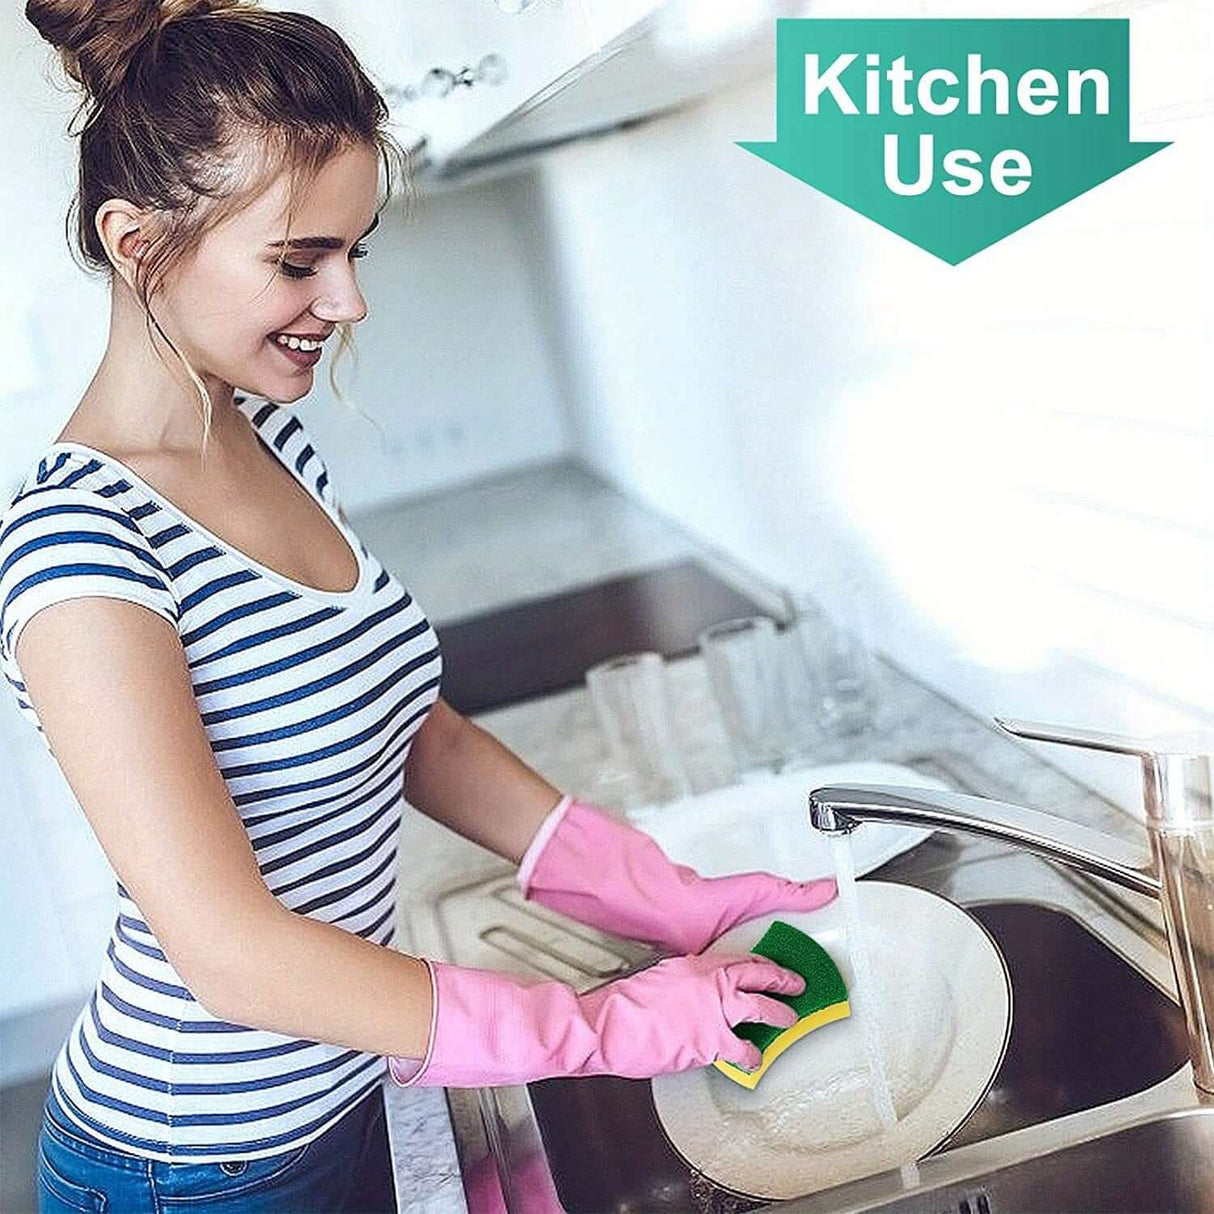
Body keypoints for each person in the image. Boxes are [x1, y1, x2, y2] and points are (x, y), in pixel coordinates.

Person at [6, 2, 839, 1211]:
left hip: (351, 1081)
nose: (345, 302)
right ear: (137, 242)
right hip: (198, 1162)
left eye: (356, 252)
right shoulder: (81, 547)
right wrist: (595, 1025)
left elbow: (415, 727)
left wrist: (653, 889)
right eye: (297, 260)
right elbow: (232, 955)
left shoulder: (270, 441)